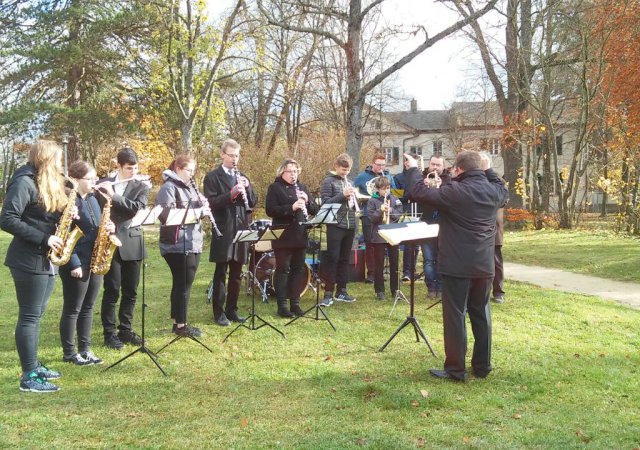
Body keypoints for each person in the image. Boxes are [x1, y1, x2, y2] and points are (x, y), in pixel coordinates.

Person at [406, 150, 508, 381]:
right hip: (484, 265)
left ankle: (455, 369)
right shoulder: (494, 191)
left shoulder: (455, 191)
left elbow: (418, 192)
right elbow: (502, 189)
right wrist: (488, 169)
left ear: (459, 169)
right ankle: (482, 366)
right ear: (480, 168)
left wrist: (413, 168)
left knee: (455, 316)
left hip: (457, 264)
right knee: (481, 313)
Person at [0, 140, 68, 392]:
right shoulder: (24, 182)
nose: (61, 165)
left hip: (45, 259)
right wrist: (44, 238)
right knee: (29, 317)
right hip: (28, 259)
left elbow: (42, 216)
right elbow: (7, 219)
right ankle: (28, 376)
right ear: (46, 159)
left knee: (36, 315)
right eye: (57, 160)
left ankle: (33, 365)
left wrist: (66, 216)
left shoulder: (42, 182)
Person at [59, 161, 113, 366]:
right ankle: (69, 353)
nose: (94, 182)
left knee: (88, 307)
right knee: (73, 308)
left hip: (94, 259)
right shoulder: (68, 201)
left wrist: (109, 227)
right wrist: (73, 263)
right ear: (76, 179)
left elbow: (96, 226)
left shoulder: (93, 199)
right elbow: (64, 234)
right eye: (89, 179)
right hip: (76, 260)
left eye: (95, 178)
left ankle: (85, 349)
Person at [95, 147, 149, 350]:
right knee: (111, 290)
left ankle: (125, 330)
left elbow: (136, 208)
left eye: (135, 168)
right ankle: (109, 334)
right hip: (109, 242)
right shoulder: (103, 184)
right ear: (118, 165)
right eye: (128, 168)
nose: (133, 172)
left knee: (131, 291)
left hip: (133, 242)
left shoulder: (141, 186)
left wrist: (114, 196)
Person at [203, 139, 257, 326]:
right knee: (221, 273)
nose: (235, 159)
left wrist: (247, 187)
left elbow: (253, 202)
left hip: (241, 228)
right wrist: (232, 193)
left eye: (237, 156)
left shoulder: (242, 176)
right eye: (231, 155)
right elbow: (211, 203)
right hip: (224, 230)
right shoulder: (212, 177)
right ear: (222, 155)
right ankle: (218, 313)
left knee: (236, 273)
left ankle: (232, 310)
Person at [156, 155, 208, 337]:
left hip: (192, 241)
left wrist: (203, 207)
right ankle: (181, 326)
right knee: (183, 284)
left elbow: (195, 212)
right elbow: (166, 215)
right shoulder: (169, 187)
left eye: (193, 170)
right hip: (176, 243)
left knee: (182, 283)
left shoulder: (190, 187)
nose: (192, 174)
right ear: (178, 169)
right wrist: (198, 212)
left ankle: (177, 321)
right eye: (189, 170)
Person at [265, 159, 319, 317]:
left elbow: (315, 210)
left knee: (299, 269)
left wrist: (307, 201)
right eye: (290, 172)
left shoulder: (302, 187)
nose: (293, 175)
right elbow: (270, 210)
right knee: (283, 270)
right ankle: (282, 306)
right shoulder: (275, 188)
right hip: (283, 235)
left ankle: (295, 303)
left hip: (300, 233)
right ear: (282, 172)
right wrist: (291, 207)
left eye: (295, 171)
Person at [319, 153, 358, 306]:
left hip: (350, 225)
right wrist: (342, 195)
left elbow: (353, 205)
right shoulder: (328, 181)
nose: (345, 173)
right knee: (333, 259)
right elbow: (325, 203)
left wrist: (356, 199)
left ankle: (341, 290)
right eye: (343, 169)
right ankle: (328, 292)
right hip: (335, 225)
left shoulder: (350, 182)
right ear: (336, 166)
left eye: (347, 170)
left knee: (344, 259)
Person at [353, 153, 397, 283]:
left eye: (383, 165)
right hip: (369, 213)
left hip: (386, 214)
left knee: (385, 243)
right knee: (370, 243)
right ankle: (372, 273)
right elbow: (355, 191)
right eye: (378, 164)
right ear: (373, 163)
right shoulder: (362, 177)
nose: (381, 167)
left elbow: (394, 192)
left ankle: (383, 271)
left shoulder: (388, 177)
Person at [366, 177, 403, 300]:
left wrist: (390, 210)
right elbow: (371, 218)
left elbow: (399, 214)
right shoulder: (372, 200)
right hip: (379, 236)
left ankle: (395, 290)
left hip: (392, 234)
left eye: (387, 188)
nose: (386, 191)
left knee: (394, 263)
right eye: (383, 189)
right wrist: (380, 211)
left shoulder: (395, 199)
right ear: (378, 189)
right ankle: (380, 291)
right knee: (379, 264)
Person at [418, 154, 449, 298]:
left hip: (444, 225)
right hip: (426, 222)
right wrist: (423, 187)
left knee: (442, 257)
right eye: (433, 164)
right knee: (429, 258)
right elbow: (413, 197)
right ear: (429, 164)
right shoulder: (422, 178)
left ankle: (442, 287)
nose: (435, 167)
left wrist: (441, 186)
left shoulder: (449, 180)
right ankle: (431, 287)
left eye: (438, 165)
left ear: (443, 166)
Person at [478, 152, 508, 304]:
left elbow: (503, 198)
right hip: (478, 228)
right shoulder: (474, 180)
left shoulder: (497, 181)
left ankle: (498, 291)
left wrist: (487, 170)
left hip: (494, 227)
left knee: (496, 261)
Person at [393, 153, 419, 282]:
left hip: (419, 210)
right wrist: (409, 194)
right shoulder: (398, 177)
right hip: (405, 210)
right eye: (409, 161)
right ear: (405, 162)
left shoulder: (419, 176)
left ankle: (412, 269)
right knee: (408, 243)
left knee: (417, 243)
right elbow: (397, 196)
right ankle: (406, 271)